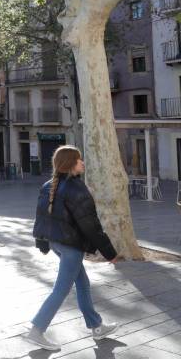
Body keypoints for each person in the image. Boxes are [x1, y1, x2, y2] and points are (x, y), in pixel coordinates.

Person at [27, 145, 120, 351]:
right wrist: (109, 253)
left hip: (57, 244)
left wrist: (42, 242)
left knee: (83, 284)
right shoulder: (77, 189)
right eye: (79, 160)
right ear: (70, 164)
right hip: (71, 247)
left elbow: (42, 218)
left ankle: (96, 326)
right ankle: (36, 329)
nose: (83, 162)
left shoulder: (48, 185)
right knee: (61, 289)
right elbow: (91, 225)